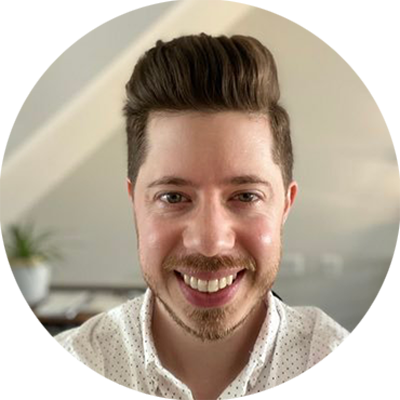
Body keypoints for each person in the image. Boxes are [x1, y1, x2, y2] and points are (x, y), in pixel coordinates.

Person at [17, 33, 398, 400]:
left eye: (245, 196)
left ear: (285, 205)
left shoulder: (341, 380)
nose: (211, 241)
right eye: (173, 196)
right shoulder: (72, 377)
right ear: (135, 204)